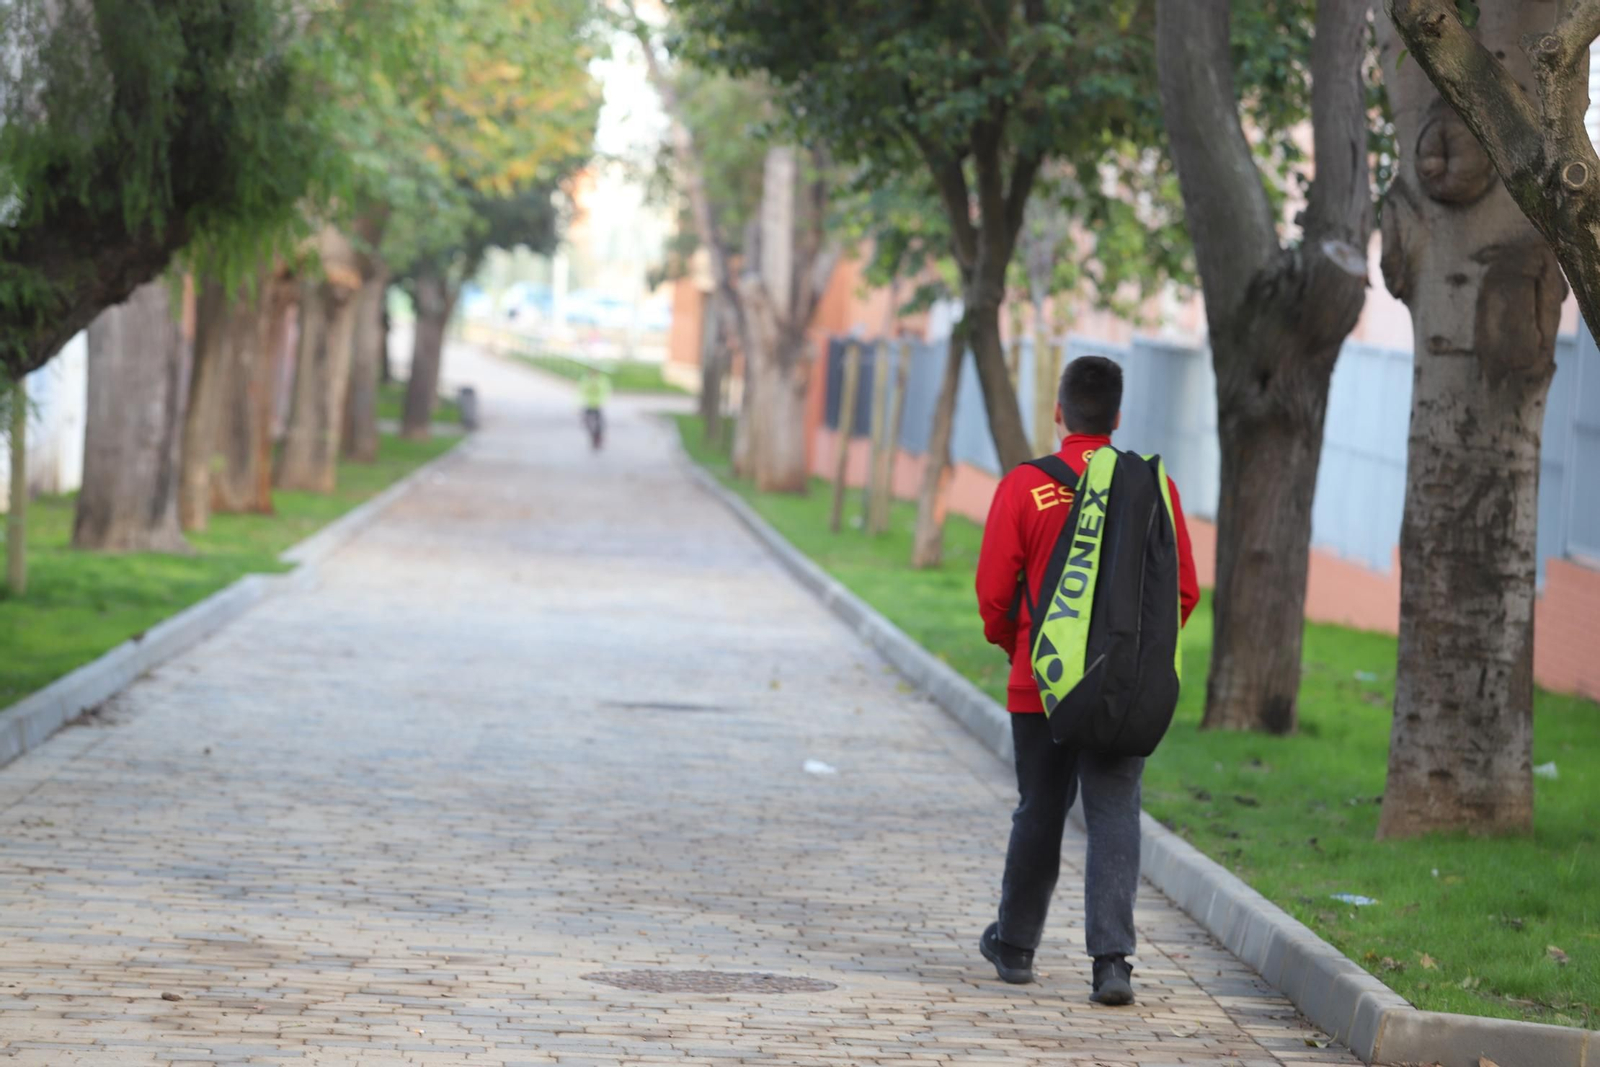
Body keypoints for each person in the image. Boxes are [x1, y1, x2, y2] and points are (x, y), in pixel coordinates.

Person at [973, 355, 1200, 1005]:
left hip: (1039, 683)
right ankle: (1112, 963)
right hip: (1122, 690)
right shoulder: (1153, 488)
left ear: (1058, 411)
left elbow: (994, 591)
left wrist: (1018, 644)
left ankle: (1015, 947)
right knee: (1114, 813)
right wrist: (1134, 659)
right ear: (1118, 417)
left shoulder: (1025, 485)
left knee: (1039, 808)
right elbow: (1181, 590)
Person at [578, 367, 611, 451]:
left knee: (599, 423)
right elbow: (581, 391)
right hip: (587, 404)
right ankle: (594, 435)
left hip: (597, 404)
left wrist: (600, 402)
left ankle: (597, 437)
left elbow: (604, 391)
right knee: (587, 422)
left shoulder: (602, 380)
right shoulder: (585, 379)